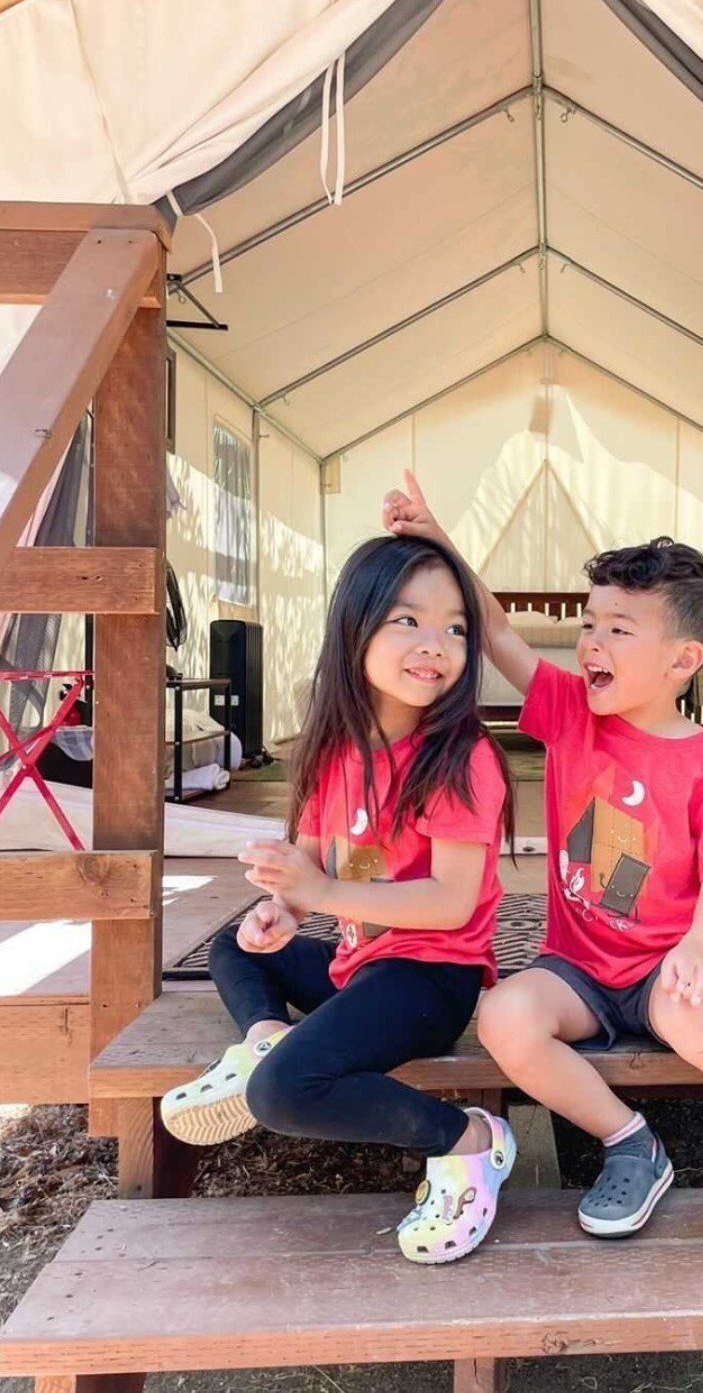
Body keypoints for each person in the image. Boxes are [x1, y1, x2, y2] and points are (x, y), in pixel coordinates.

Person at [382, 472, 703, 1284]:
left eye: (618, 630)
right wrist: (439, 539)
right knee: (502, 1017)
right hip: (579, 968)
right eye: (589, 624)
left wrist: (698, 951)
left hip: (668, 962)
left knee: (696, 1015)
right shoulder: (569, 708)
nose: (591, 644)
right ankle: (630, 1142)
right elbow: (496, 633)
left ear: (683, 659)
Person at [160, 534, 517, 1266]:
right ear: (355, 627)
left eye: (455, 628)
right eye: (408, 620)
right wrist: (282, 912)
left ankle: (469, 1140)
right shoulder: (333, 752)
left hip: (428, 978)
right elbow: (313, 870)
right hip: (362, 959)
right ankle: (263, 1035)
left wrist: (318, 891)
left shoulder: (464, 758)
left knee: (283, 1094)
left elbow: (453, 903)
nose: (436, 644)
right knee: (232, 943)